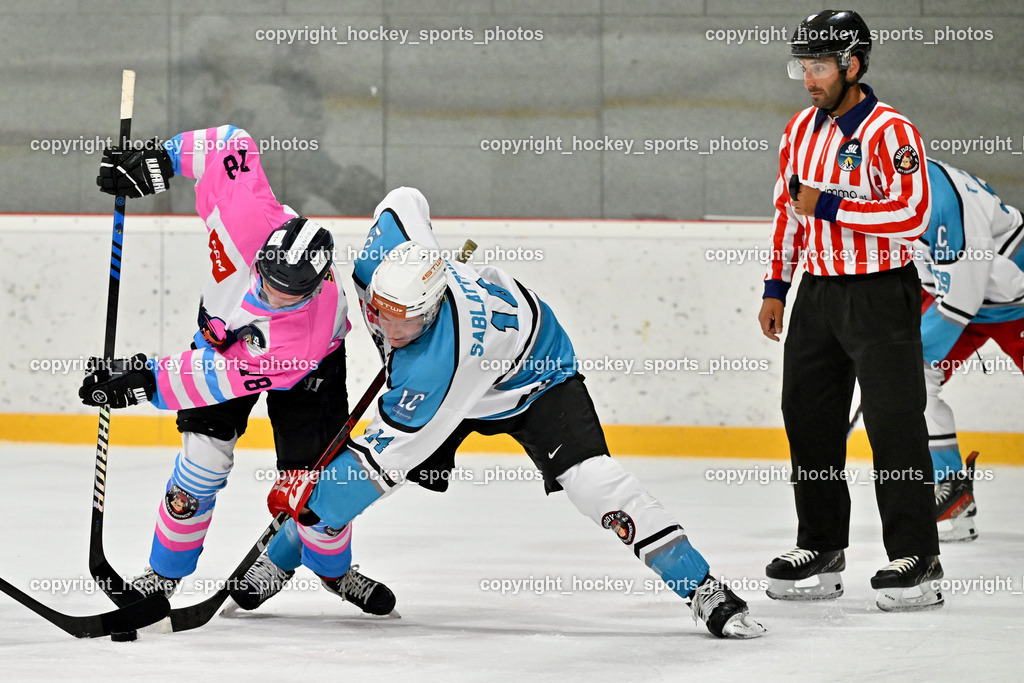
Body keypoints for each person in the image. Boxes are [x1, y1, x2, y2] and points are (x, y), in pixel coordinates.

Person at [266, 186, 766, 639]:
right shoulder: (385, 259)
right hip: (467, 372)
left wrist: (308, 498)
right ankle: (290, 558)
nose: (393, 331)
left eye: (411, 321)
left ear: (435, 307)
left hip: (535, 376)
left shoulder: (440, 364)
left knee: (593, 482)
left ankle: (702, 587)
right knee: (353, 479)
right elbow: (403, 199)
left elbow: (377, 462)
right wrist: (423, 249)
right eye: (383, 313)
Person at [80, 126, 395, 615]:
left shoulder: (301, 333)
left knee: (311, 486)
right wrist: (157, 163)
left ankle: (335, 573)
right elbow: (229, 143)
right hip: (217, 338)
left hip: (306, 369)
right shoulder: (248, 214)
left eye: (287, 295)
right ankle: (162, 576)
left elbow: (215, 376)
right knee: (201, 465)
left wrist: (141, 379)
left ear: (312, 291)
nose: (269, 297)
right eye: (267, 281)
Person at [757, 10, 943, 612]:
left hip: (882, 293)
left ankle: (919, 557)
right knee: (806, 417)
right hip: (818, 294)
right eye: (802, 66)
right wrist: (777, 286)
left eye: (818, 66)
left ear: (853, 65)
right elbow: (791, 213)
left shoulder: (893, 131)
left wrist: (830, 205)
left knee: (894, 424)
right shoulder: (798, 131)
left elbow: (910, 216)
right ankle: (822, 545)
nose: (808, 78)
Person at [915, 158, 1024, 542]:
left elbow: (963, 294)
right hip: (967, 301)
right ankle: (952, 495)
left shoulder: (942, 195)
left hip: (1016, 300)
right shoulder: (888, 189)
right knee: (914, 384)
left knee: (909, 371)